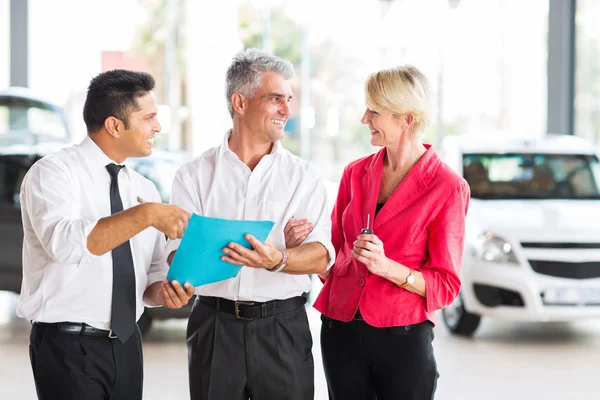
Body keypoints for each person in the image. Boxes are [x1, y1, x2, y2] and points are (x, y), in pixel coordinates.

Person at [166, 48, 335, 400]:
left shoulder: (303, 177)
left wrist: (280, 259)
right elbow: (175, 255)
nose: (288, 110)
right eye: (276, 99)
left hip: (282, 330)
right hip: (213, 327)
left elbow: (321, 256)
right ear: (240, 103)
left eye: (288, 100)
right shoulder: (194, 176)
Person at [17, 69, 195, 400]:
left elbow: (152, 273)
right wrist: (144, 215)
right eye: (149, 118)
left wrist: (165, 291)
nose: (158, 127)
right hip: (68, 346)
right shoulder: (53, 173)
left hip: (128, 344)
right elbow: (63, 243)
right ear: (115, 125)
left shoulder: (142, 187)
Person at [313, 66, 470, 400]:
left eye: (374, 111)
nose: (363, 118)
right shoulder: (355, 173)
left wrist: (386, 267)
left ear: (407, 119)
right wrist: (310, 250)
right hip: (340, 330)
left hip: (402, 337)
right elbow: (336, 254)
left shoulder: (448, 187)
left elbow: (445, 285)